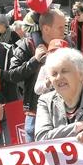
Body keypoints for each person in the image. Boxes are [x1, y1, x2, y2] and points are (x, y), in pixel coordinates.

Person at [8, 7, 68, 140]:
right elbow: (12, 75)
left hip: (65, 113)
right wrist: (34, 61)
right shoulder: (26, 45)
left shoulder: (67, 44)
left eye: (64, 26)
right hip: (35, 114)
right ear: (46, 29)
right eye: (60, 27)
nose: (64, 31)